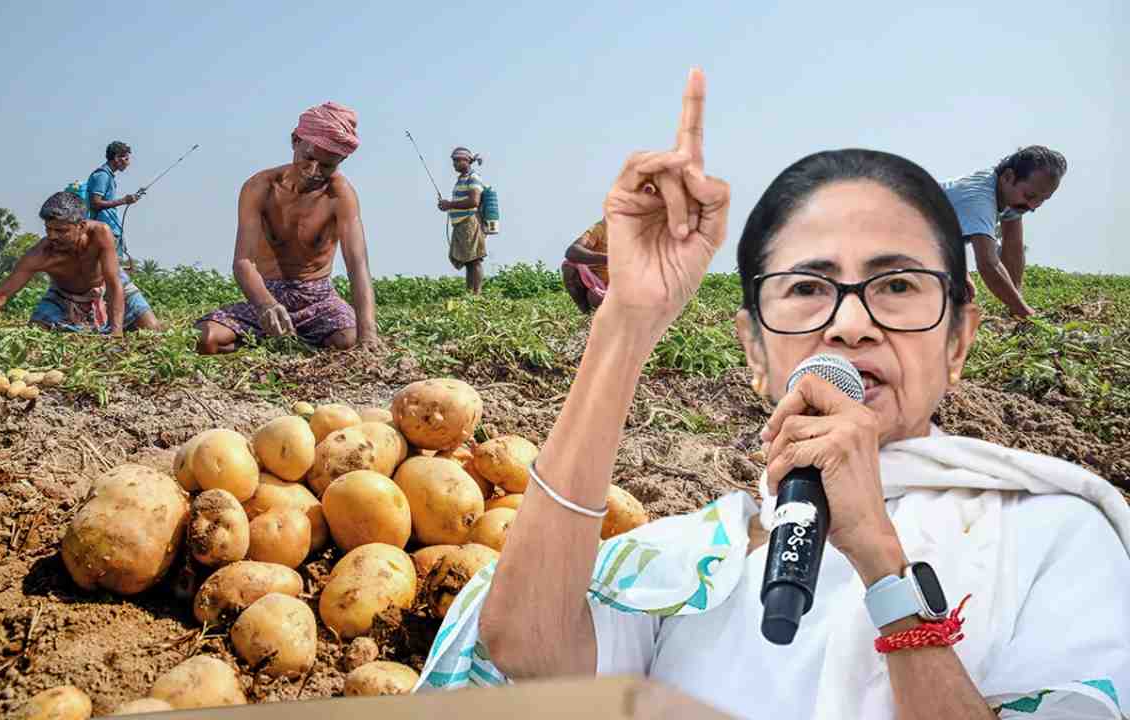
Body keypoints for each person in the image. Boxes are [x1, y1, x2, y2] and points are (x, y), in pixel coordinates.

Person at [416, 70, 1130, 720]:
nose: (851, 325)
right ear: (756, 354)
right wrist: (625, 324)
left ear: (957, 342)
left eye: (897, 286)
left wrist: (883, 565)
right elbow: (531, 651)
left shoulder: (1054, 535)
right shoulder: (695, 560)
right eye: (809, 289)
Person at [196, 102, 379, 354]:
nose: (314, 171)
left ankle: (297, 340)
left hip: (319, 299)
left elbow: (357, 266)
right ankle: (267, 339)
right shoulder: (259, 187)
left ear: (342, 159)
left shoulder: (340, 195)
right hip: (266, 293)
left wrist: (367, 334)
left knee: (348, 341)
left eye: (327, 166)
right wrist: (265, 305)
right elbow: (243, 262)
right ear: (295, 141)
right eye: (309, 158)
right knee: (207, 339)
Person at [0, 192, 159, 338]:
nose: (52, 236)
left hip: (107, 285)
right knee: (34, 335)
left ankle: (114, 327)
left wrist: (116, 334)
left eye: (61, 231)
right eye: (48, 229)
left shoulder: (101, 233)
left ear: (81, 226)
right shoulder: (41, 254)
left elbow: (114, 284)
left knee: (152, 329)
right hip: (65, 295)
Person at [940, 146, 1066, 318]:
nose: (1032, 206)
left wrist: (1016, 304)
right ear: (1008, 177)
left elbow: (1013, 248)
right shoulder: (979, 200)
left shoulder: (1009, 195)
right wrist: (1025, 312)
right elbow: (988, 264)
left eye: (1041, 200)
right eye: (1029, 196)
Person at [438, 147, 487, 294]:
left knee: (475, 259)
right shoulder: (462, 179)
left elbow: (474, 201)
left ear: (466, 161)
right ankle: (470, 293)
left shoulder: (473, 177)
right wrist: (447, 205)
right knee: (468, 260)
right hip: (461, 224)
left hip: (469, 222)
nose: (454, 164)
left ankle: (476, 293)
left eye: (457, 161)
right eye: (454, 161)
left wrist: (450, 204)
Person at [87, 141, 141, 264]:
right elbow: (95, 203)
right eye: (126, 158)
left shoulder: (109, 176)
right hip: (104, 230)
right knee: (108, 269)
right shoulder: (102, 175)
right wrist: (124, 200)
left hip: (111, 230)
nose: (128, 163)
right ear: (117, 158)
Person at [561, 219, 609, 313]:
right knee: (569, 267)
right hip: (599, 286)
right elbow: (572, 252)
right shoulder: (601, 228)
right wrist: (608, 259)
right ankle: (586, 312)